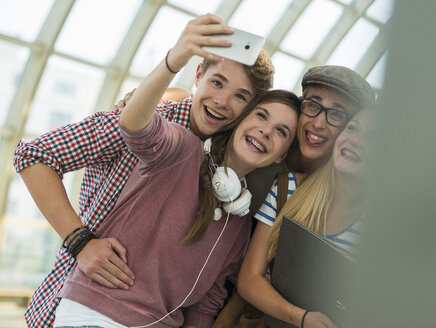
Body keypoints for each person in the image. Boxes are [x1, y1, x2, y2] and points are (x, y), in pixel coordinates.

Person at [13, 14, 275, 328]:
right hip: (79, 303)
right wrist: (80, 241)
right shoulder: (143, 117)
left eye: (240, 97)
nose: (221, 102)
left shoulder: (229, 176)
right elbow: (35, 155)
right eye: (217, 83)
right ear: (199, 74)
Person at [235, 67, 376, 328]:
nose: (319, 123)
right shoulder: (281, 174)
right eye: (312, 105)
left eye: (336, 114)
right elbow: (249, 279)